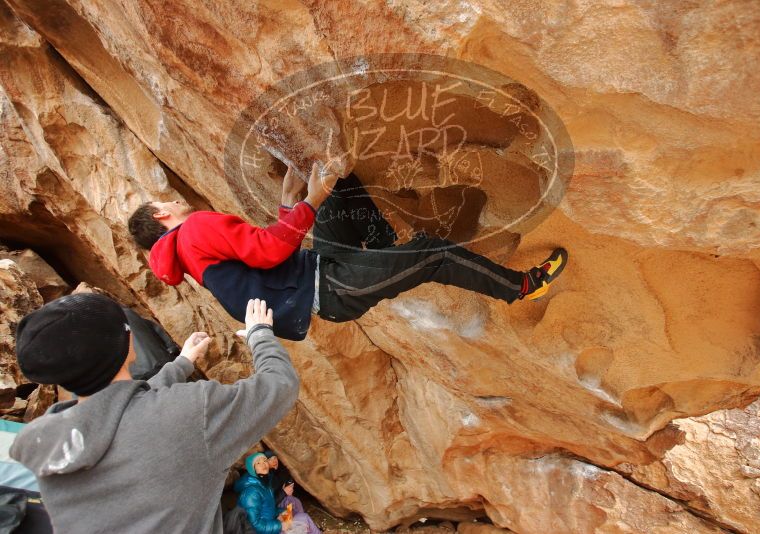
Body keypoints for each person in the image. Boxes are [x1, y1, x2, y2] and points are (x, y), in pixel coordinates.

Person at [127, 164, 567, 341]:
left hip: (318, 269)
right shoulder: (194, 230)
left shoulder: (191, 253)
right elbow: (266, 253)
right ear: (161, 216)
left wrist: (289, 203)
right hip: (331, 289)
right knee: (435, 254)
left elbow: (262, 258)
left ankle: (382, 252)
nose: (169, 200)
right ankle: (523, 287)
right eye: (161, 203)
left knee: (344, 184)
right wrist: (310, 201)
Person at [10, 295, 298, 533]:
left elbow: (119, 408)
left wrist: (182, 363)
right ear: (126, 342)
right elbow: (279, 385)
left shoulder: (47, 438)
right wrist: (260, 334)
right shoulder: (190, 413)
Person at [71, 283, 180, 380]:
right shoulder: (126, 312)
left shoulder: (97, 332)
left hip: (142, 378)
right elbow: (156, 329)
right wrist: (172, 350)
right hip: (166, 363)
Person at [234, 452, 319, 534]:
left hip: (271, 523)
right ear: (253, 469)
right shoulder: (251, 492)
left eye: (264, 460)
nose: (263, 464)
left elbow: (268, 509)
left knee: (300, 514)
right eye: (258, 463)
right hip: (265, 531)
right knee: (302, 517)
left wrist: (281, 513)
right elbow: (254, 525)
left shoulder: (264, 484)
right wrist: (280, 526)